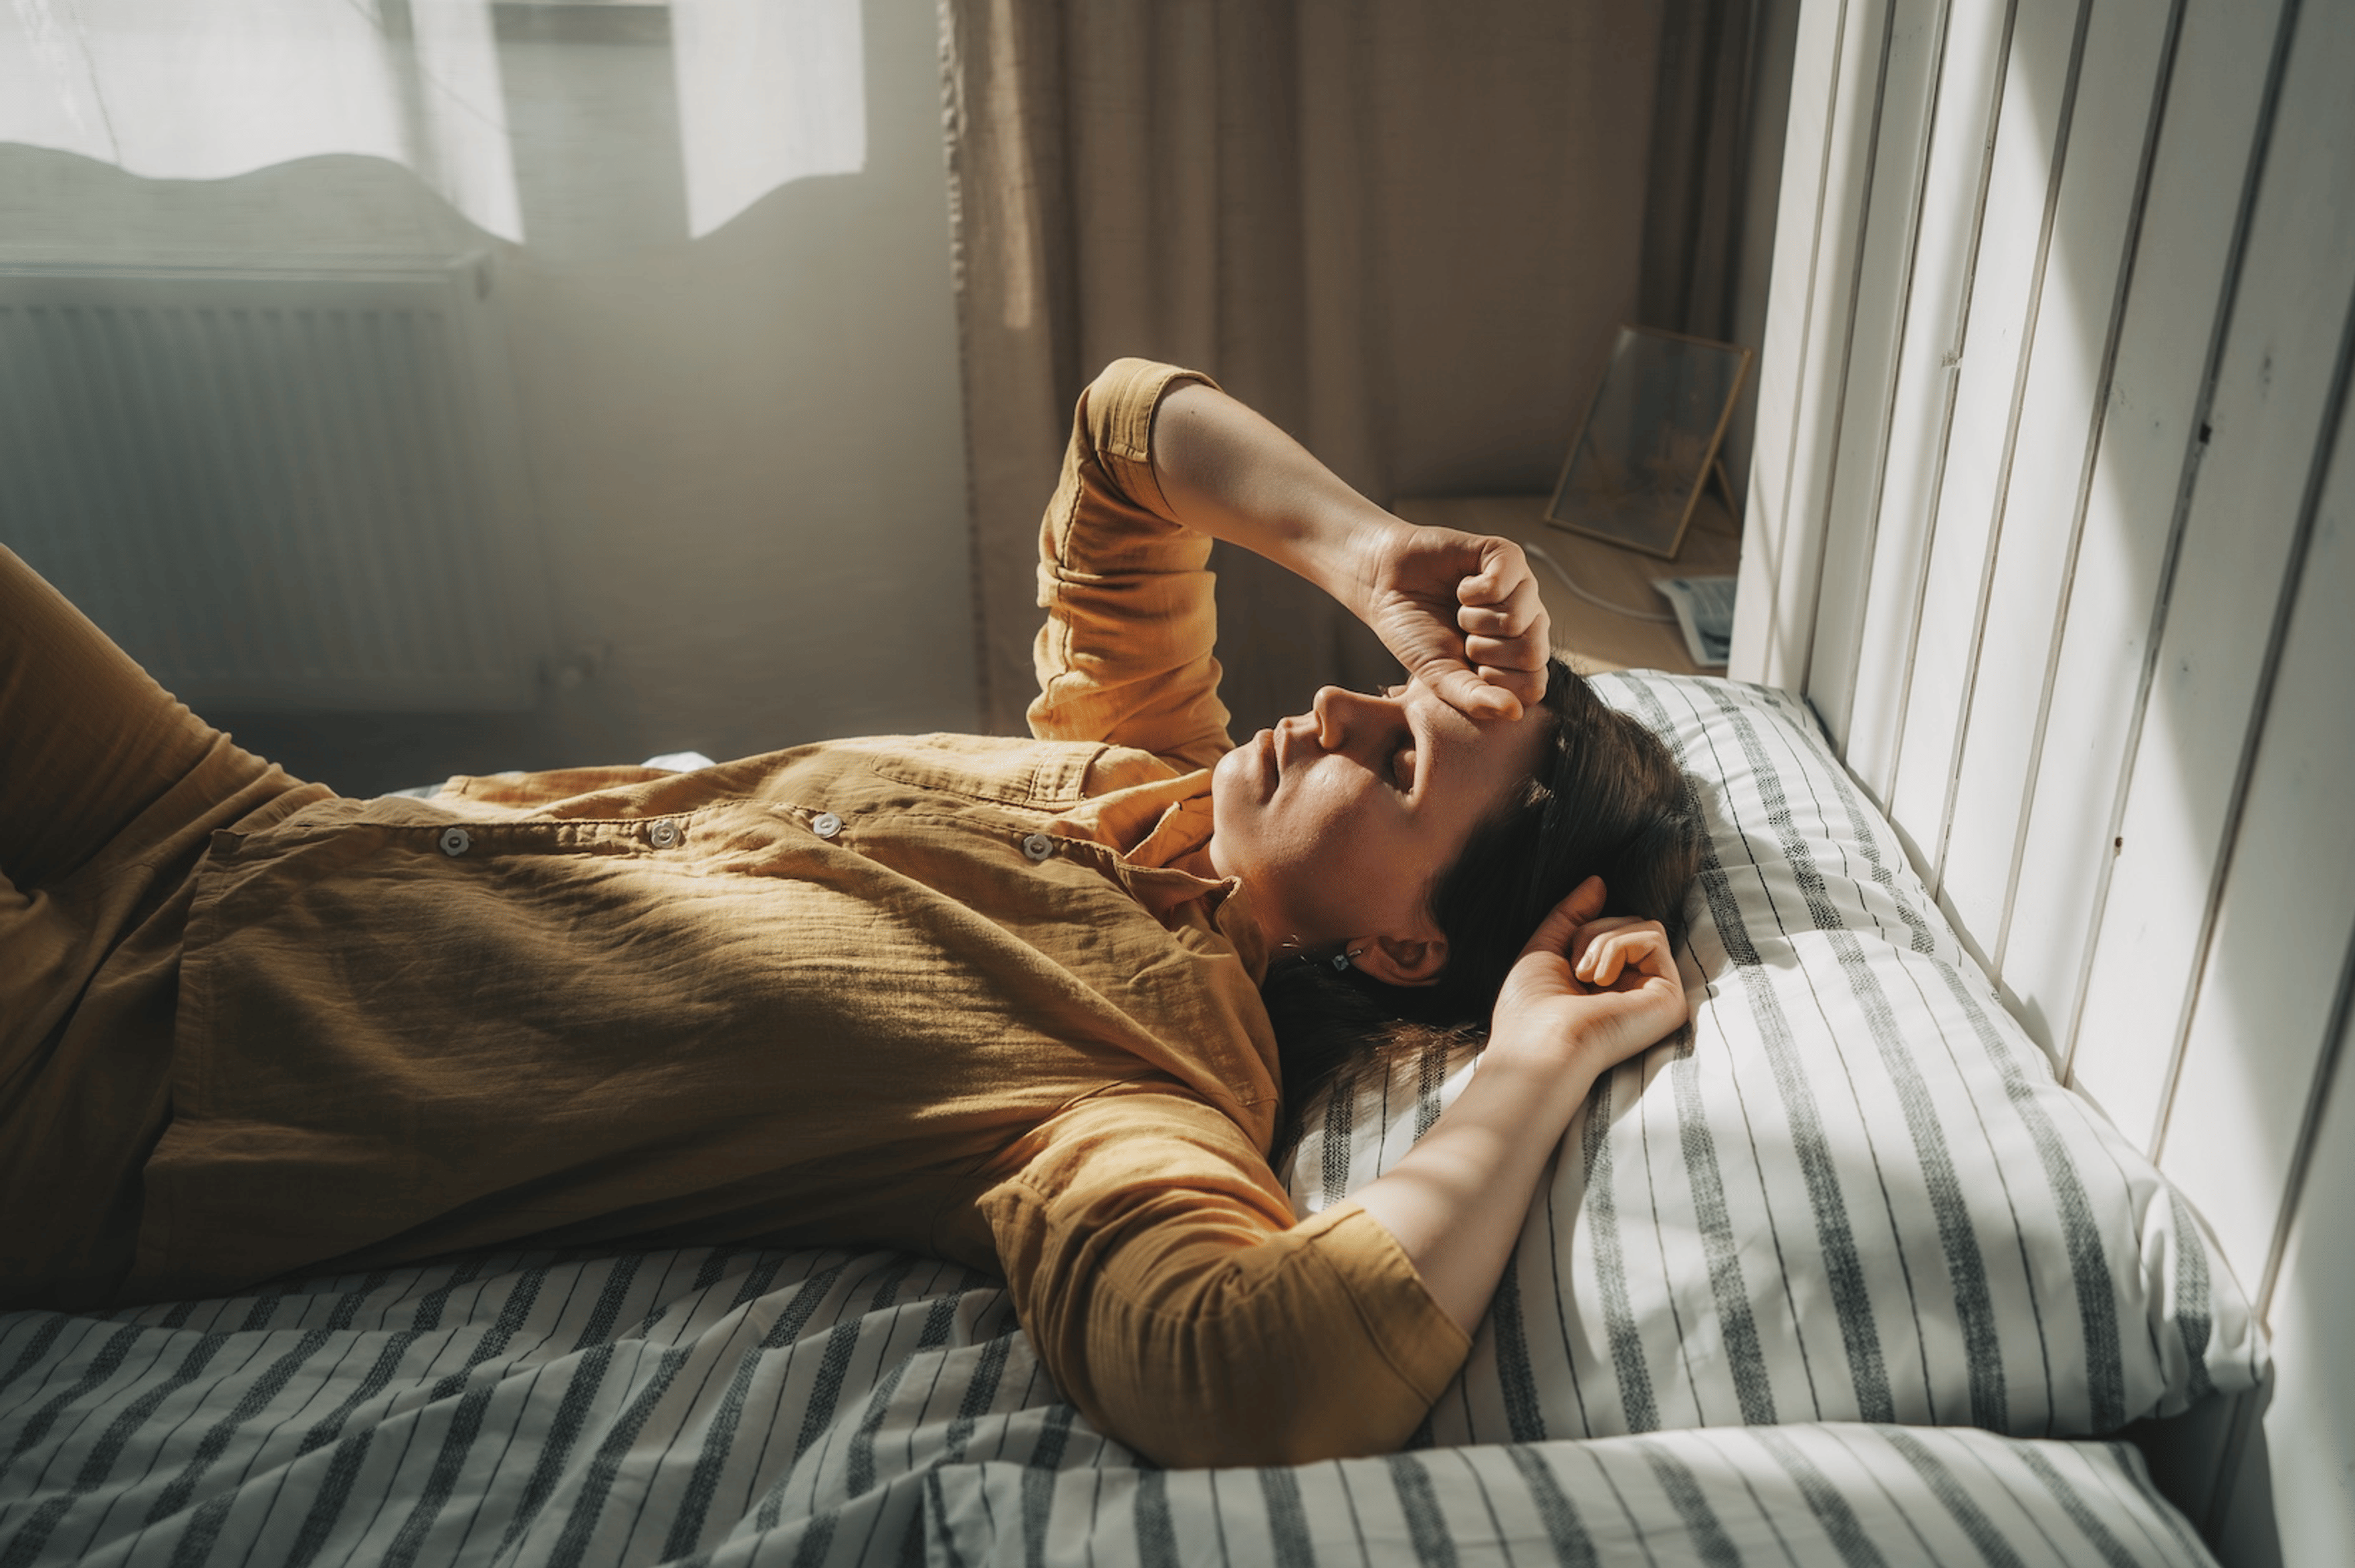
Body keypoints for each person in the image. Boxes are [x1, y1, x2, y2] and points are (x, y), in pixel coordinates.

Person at [0, 358, 1700, 1467]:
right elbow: (1123, 434)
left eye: (1393, 762)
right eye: (1377, 690)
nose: (1335, 710)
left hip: (113, 1084)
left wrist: (1530, 1058)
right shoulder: (1139, 773)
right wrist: (1363, 549)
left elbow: (1253, 1372)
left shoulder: (1134, 1096)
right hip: (230, 822)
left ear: (1406, 948)